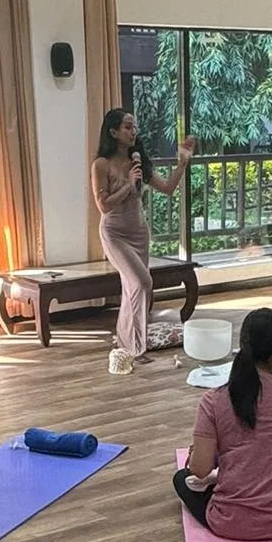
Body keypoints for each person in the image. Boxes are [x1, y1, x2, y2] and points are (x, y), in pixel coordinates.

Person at [173, 306, 272, 539]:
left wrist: (203, 453)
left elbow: (199, 469)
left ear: (242, 344)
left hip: (228, 522)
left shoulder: (213, 400)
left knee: (180, 479)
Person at [92, 108, 194, 371]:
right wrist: (128, 184)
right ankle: (134, 347)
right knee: (141, 282)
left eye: (134, 127)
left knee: (132, 288)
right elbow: (103, 206)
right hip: (114, 233)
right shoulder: (101, 164)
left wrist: (182, 162)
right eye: (127, 127)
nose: (133, 131)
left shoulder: (138, 161)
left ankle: (129, 345)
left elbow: (168, 188)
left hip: (138, 231)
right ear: (113, 132)